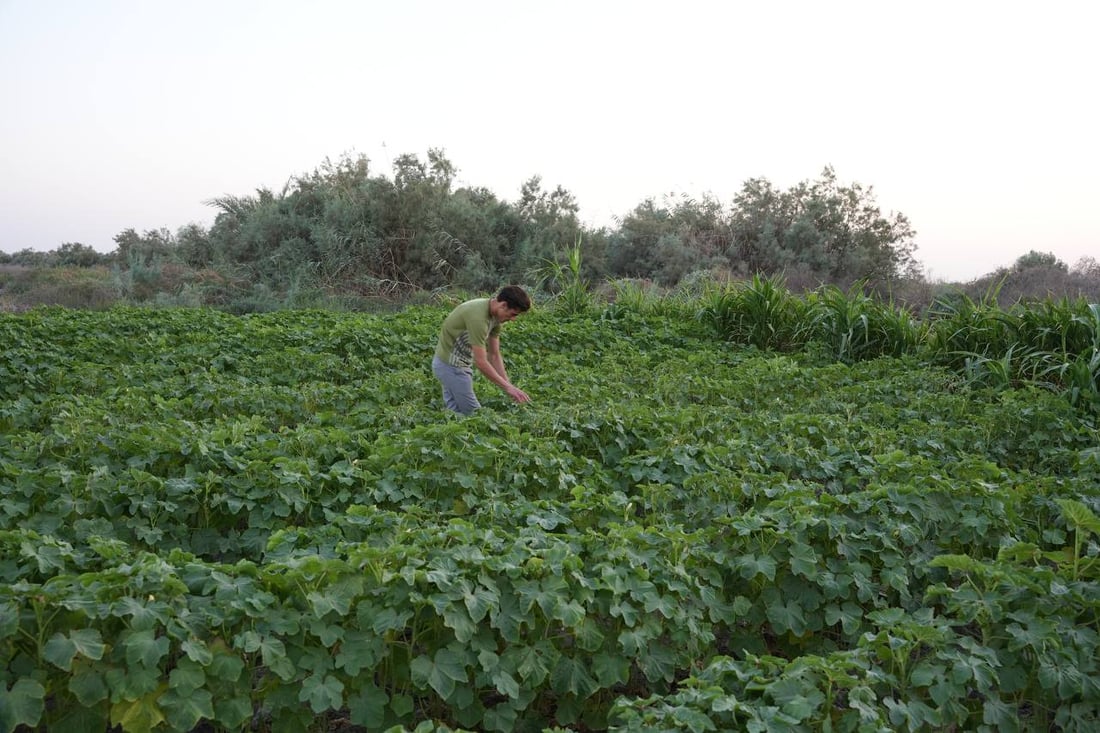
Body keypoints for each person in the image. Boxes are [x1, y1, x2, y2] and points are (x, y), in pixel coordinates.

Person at [432, 285, 532, 415]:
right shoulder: (478, 318)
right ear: (503, 305)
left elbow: (494, 355)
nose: (513, 319)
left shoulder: (495, 316)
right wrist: (508, 388)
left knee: (455, 415)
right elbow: (481, 362)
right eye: (513, 314)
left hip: (458, 365)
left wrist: (510, 387)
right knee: (477, 416)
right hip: (451, 367)